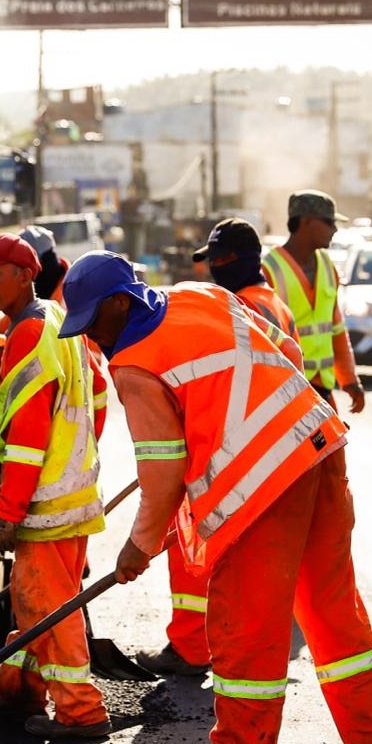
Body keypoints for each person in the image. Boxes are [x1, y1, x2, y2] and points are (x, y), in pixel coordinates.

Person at [58, 251, 372, 744]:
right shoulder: (201, 295)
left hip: (264, 488)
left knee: (244, 624)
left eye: (92, 324)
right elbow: (287, 352)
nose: (93, 339)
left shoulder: (134, 364)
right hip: (317, 447)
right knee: (331, 609)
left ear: (117, 303)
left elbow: (162, 475)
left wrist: (138, 548)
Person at [0, 233, 111, 740]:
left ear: (26, 275)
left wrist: (8, 511)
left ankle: (81, 711)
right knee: (34, 603)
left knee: (51, 610)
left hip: (44, 505)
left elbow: (25, 440)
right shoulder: (58, 318)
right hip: (72, 496)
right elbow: (99, 397)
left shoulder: (27, 333)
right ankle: (19, 692)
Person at [136, 216, 305, 679]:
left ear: (229, 262)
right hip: (259, 448)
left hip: (233, 450)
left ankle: (192, 646)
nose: (207, 272)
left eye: (212, 262)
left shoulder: (240, 305)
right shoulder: (270, 301)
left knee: (190, 547)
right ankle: (215, 641)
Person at [262, 190, 366, 414]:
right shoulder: (268, 270)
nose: (335, 229)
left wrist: (349, 379)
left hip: (322, 390)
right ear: (306, 222)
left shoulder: (328, 267)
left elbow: (336, 329)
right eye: (329, 222)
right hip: (285, 393)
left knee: (335, 449)